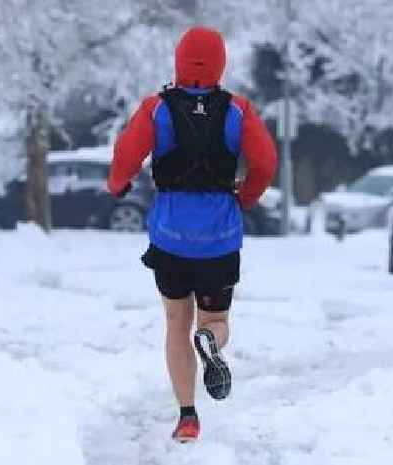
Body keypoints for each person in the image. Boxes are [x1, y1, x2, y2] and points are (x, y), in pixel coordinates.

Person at [107, 26, 277, 442]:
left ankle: (187, 416)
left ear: (179, 61)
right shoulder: (237, 110)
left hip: (170, 237)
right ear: (220, 63)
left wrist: (117, 185)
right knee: (215, 318)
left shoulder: (157, 108)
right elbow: (266, 161)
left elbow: (127, 152)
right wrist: (247, 196)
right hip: (219, 237)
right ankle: (212, 340)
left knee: (174, 323)